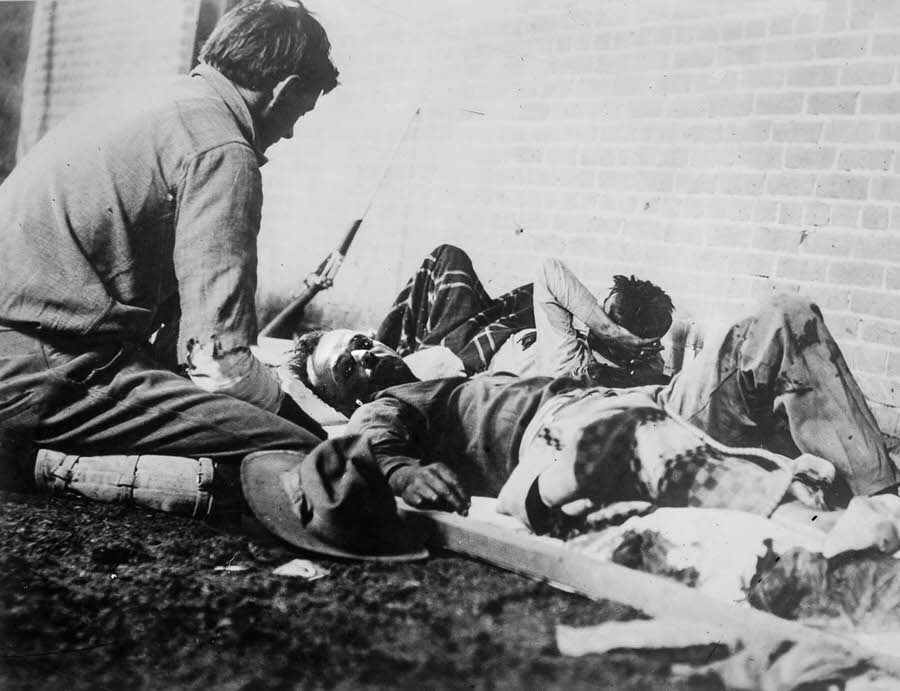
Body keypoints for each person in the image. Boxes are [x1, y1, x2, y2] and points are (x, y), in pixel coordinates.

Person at [0, 0, 356, 546]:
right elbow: (220, 362)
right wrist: (306, 426)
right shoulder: (221, 148)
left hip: (31, 350)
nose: (288, 135)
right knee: (310, 462)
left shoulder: (155, 100)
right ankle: (37, 466)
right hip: (42, 372)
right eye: (298, 116)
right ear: (282, 91)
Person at [290, 295, 900, 527]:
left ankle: (885, 496)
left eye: (361, 343)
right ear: (350, 397)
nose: (368, 359)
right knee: (621, 438)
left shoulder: (449, 367)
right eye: (349, 369)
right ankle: (827, 526)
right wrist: (400, 472)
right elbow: (368, 434)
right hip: (567, 431)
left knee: (783, 319)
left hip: (646, 403)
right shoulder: (393, 403)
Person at [296, 244, 673, 416]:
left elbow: (550, 270)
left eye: (362, 345)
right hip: (484, 335)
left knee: (447, 259)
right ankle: (395, 345)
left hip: (459, 351)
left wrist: (604, 329)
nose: (596, 322)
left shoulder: (571, 360)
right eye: (349, 364)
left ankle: (399, 347)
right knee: (449, 259)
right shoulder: (605, 357)